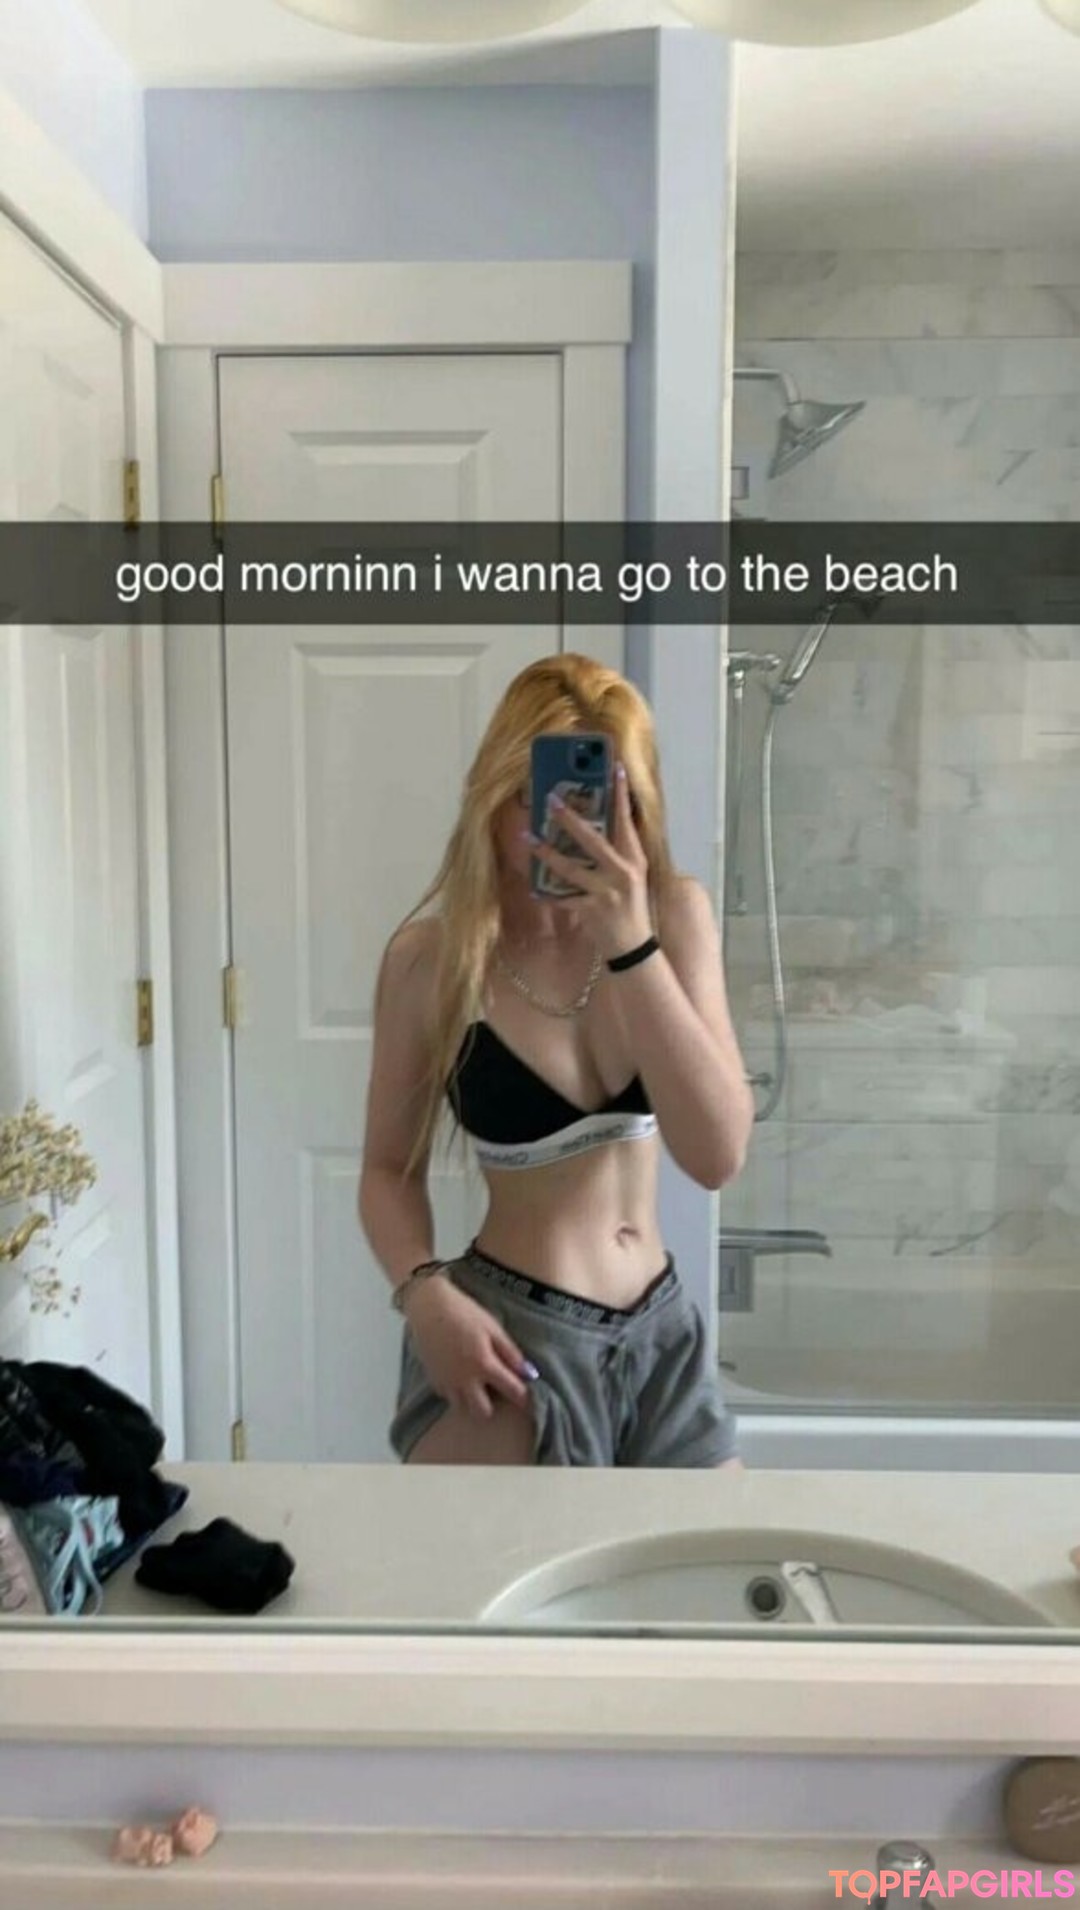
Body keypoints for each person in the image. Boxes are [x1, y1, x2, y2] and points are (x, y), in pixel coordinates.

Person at [359, 654, 755, 1467]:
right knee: (494, 1558)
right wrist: (423, 1294)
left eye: (601, 805)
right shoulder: (433, 960)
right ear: (495, 796)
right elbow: (386, 1170)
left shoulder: (675, 918)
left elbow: (716, 1156)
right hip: (507, 1339)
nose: (569, 830)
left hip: (662, 1341)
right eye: (543, 801)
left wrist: (630, 945)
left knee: (710, 1554)